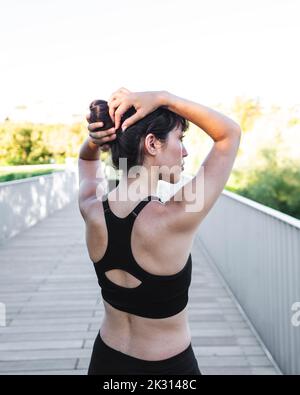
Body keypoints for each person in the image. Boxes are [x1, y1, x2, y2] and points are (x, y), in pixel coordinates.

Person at [78, 87, 241, 375]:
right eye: (180, 138)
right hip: (168, 369)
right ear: (152, 143)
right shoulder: (176, 215)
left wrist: (94, 142)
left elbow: (87, 161)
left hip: (105, 361)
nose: (186, 151)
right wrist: (165, 97)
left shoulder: (91, 209)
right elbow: (229, 135)